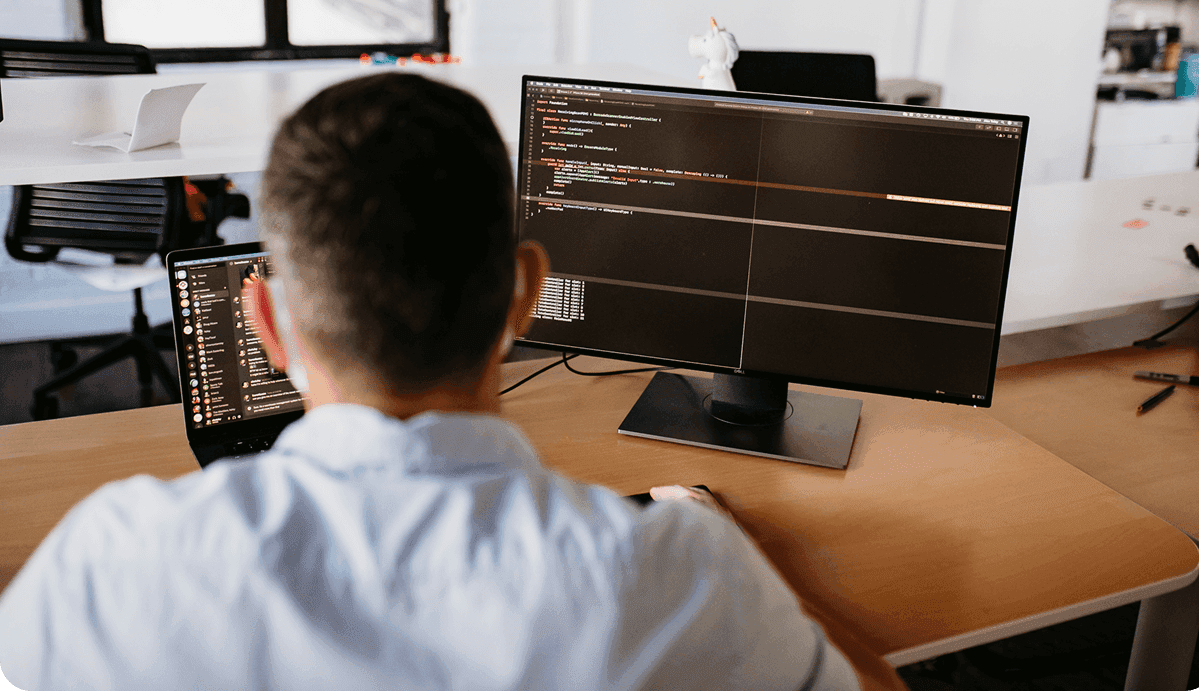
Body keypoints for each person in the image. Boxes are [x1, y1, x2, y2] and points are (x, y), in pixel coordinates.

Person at [0, 73, 874, 690]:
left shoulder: (114, 560)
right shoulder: (682, 581)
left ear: (264, 323)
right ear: (525, 293)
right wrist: (767, 587)